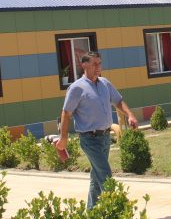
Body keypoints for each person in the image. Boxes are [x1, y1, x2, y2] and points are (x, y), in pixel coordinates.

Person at [56, 51, 138, 210]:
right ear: (84, 65)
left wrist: (130, 115)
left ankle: (92, 211)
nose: (98, 67)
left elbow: (118, 101)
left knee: (97, 176)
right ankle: (117, 210)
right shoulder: (76, 88)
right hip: (89, 139)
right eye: (94, 64)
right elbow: (66, 113)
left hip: (105, 137)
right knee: (106, 175)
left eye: (99, 64)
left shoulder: (105, 83)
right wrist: (63, 137)